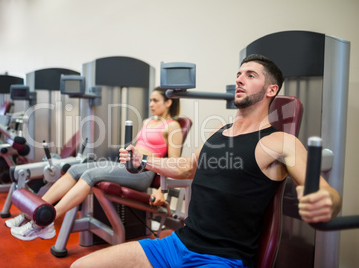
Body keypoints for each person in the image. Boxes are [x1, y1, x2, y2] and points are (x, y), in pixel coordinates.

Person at [70, 54, 342, 268]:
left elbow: (323, 190)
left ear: (271, 89)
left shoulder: (279, 142)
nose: (239, 79)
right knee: (82, 265)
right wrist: (144, 160)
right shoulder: (218, 132)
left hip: (220, 259)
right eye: (238, 74)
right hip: (176, 244)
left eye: (250, 75)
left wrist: (326, 201)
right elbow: (187, 166)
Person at [5, 87, 183, 241]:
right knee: (74, 169)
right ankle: (30, 214)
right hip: (127, 166)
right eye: (150, 100)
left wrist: (162, 190)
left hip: (144, 172)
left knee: (90, 175)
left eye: (155, 100)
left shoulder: (172, 126)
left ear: (168, 103)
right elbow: (135, 147)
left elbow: (173, 163)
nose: (151, 104)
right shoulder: (147, 122)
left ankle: (45, 221)